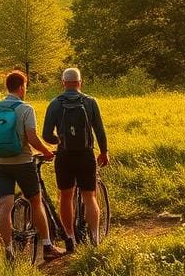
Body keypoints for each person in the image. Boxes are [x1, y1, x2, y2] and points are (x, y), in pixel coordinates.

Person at [0, 70, 63, 262]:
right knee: (35, 201)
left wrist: (0, 148)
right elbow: (32, 138)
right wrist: (48, 151)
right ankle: (48, 246)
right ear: (21, 87)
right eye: (26, 86)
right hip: (23, 163)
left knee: (4, 207)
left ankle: (8, 251)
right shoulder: (26, 109)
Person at [43, 67, 109, 250]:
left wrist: (60, 140)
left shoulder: (55, 103)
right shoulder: (90, 102)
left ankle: (70, 238)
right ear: (80, 82)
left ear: (63, 83)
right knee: (89, 195)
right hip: (86, 154)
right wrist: (104, 151)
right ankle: (95, 238)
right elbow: (100, 130)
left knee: (65, 196)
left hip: (64, 156)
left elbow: (46, 134)